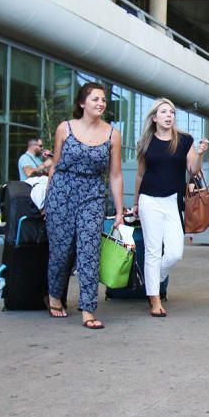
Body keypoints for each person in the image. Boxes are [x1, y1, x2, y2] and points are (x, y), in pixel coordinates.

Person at [44, 82, 125, 329]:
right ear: (82, 103)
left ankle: (88, 308)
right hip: (62, 192)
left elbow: (115, 174)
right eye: (95, 99)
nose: (101, 103)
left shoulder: (112, 134)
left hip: (93, 194)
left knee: (89, 250)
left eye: (103, 100)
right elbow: (55, 166)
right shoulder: (64, 129)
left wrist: (120, 210)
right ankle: (55, 295)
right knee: (60, 249)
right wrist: (48, 199)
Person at [130, 98, 209, 317]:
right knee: (153, 252)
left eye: (172, 112)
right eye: (164, 112)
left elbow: (193, 169)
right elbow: (140, 174)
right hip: (149, 200)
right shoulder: (146, 143)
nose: (169, 115)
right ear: (154, 117)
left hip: (173, 201)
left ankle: (157, 276)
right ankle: (154, 299)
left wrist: (200, 152)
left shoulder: (184, 140)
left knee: (174, 252)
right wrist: (135, 203)